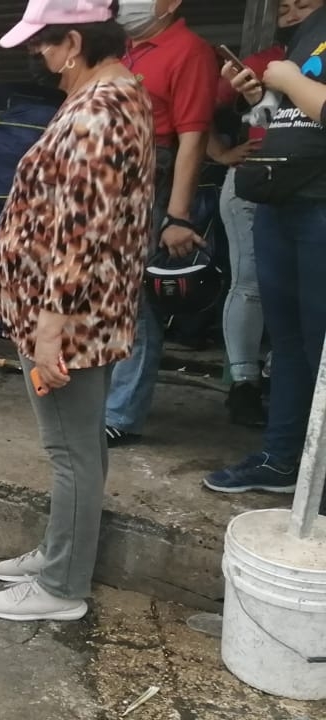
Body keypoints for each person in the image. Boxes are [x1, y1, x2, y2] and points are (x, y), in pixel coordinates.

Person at [0, 0, 154, 622]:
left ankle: (60, 588)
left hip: (69, 318)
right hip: (75, 309)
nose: (42, 60)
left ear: (73, 41)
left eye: (45, 47)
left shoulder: (100, 110)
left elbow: (84, 230)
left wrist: (51, 324)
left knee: (71, 453)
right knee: (78, 449)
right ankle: (61, 553)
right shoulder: (114, 96)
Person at [205, 3, 326, 495]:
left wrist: (292, 81)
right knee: (289, 341)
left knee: (320, 345)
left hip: (320, 205)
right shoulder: (308, 34)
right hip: (281, 203)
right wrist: (260, 96)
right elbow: (281, 122)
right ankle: (282, 460)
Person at [102, 0, 218, 447]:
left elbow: (194, 135)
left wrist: (177, 214)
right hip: (113, 177)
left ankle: (122, 414)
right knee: (109, 295)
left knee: (135, 302)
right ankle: (104, 399)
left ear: (169, 3)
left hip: (153, 171)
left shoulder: (188, 50)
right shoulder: (126, 48)